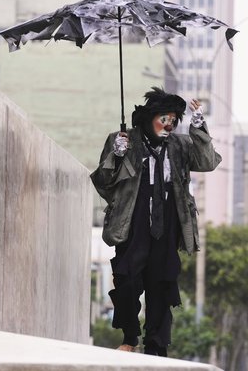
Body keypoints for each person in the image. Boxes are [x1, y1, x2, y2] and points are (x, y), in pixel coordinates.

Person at [90, 87, 221, 356]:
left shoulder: (181, 145)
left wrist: (198, 126)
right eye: (164, 119)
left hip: (168, 223)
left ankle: (157, 346)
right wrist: (116, 155)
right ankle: (129, 337)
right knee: (126, 279)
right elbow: (103, 182)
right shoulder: (123, 140)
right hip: (133, 221)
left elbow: (207, 162)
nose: (169, 125)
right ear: (149, 118)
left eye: (174, 120)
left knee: (162, 285)